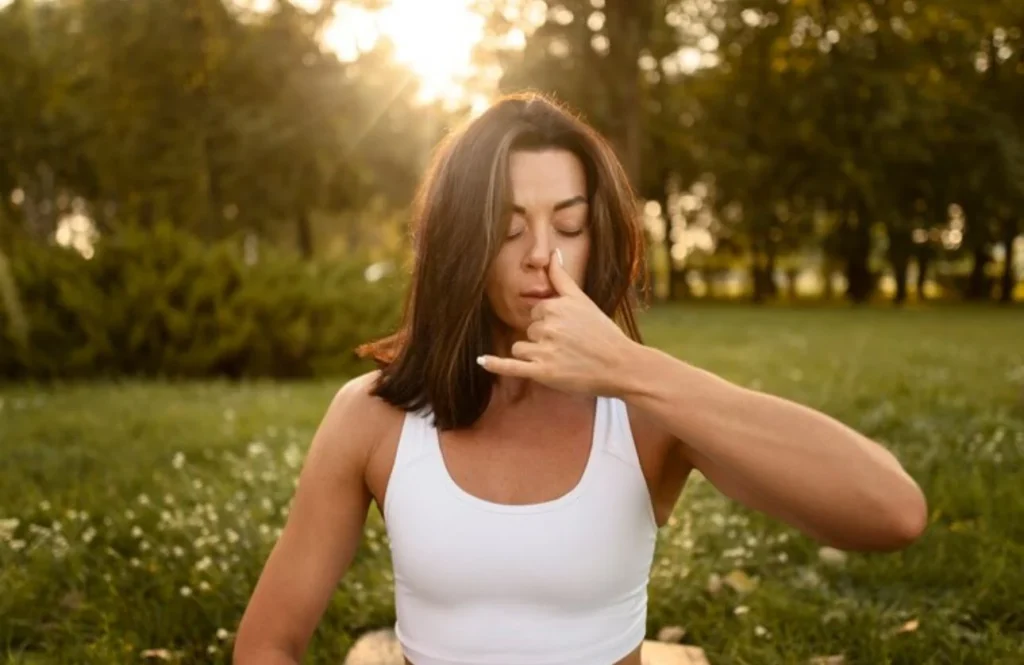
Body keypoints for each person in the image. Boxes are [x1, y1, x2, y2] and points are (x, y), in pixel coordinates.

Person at [233, 93, 928, 665]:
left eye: (568, 225)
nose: (543, 255)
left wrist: (630, 368)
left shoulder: (647, 411)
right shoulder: (373, 416)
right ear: (459, 243)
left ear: (598, 236)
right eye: (508, 229)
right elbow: (266, 643)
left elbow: (892, 512)